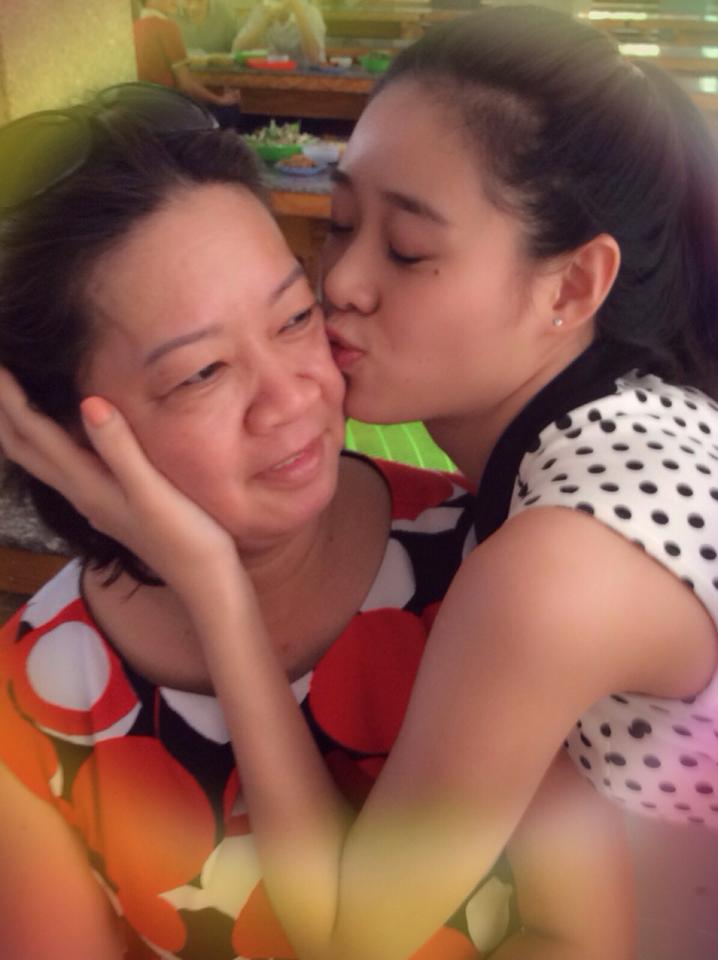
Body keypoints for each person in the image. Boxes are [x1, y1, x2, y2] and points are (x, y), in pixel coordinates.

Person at [0, 82, 631, 959]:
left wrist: (216, 589)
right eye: (202, 373)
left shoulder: (497, 569)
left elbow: (582, 937)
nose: (291, 397)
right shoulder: (29, 706)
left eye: (296, 318)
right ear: (61, 437)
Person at [133, 0, 242, 118]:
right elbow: (186, 85)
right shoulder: (167, 27)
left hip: (143, 111)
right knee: (230, 110)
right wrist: (219, 100)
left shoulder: (133, 28)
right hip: (168, 110)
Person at [232, 0, 326, 65]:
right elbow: (238, 49)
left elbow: (314, 58)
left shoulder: (311, 13)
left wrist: (298, 12)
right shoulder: (263, 9)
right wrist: (264, 22)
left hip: (307, 79)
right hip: (271, 77)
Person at [173, 0, 239, 54]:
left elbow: (235, 52)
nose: (194, 7)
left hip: (219, 65)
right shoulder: (171, 11)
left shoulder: (223, 11)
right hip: (183, 65)